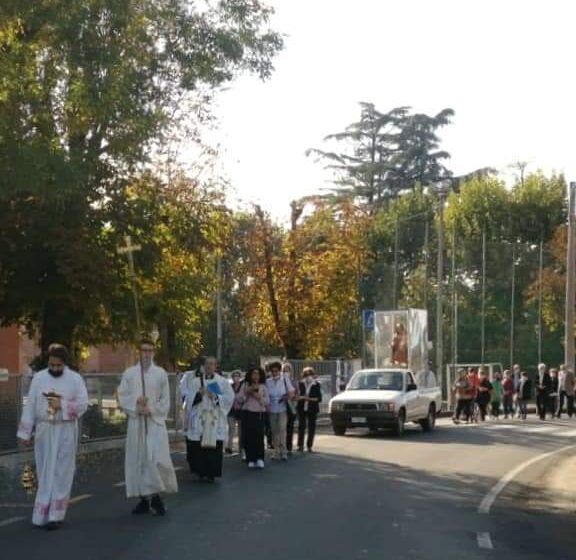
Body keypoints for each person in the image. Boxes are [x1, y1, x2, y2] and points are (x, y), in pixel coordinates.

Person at [17, 344, 88, 530]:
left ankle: (56, 515)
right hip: (44, 430)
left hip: (65, 430)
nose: (55, 368)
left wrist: (62, 405)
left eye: (58, 365)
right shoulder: (39, 378)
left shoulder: (75, 379)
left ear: (64, 363)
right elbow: (31, 405)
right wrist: (25, 432)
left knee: (62, 471)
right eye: (52, 365)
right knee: (44, 470)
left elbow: (83, 404)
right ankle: (41, 514)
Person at [118, 339, 178, 516]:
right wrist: (136, 403)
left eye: (150, 350)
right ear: (139, 352)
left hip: (154, 424)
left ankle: (157, 496)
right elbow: (122, 396)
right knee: (139, 460)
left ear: (153, 352)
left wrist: (150, 409)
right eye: (144, 350)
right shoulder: (129, 374)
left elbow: (165, 399)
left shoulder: (160, 374)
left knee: (155, 459)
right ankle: (144, 499)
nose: (147, 354)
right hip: (136, 424)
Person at [182, 356, 235, 481]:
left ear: (216, 366)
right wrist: (198, 396)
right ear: (203, 366)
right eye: (206, 364)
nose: (209, 366)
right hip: (199, 417)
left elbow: (229, 398)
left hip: (214, 417)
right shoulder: (195, 382)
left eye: (212, 364)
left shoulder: (222, 382)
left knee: (213, 445)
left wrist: (215, 397)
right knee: (198, 444)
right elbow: (188, 400)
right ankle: (200, 471)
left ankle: (211, 473)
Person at [237, 367, 269, 469]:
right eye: (253, 374)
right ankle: (250, 458)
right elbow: (239, 399)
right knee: (248, 436)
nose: (255, 376)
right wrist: (247, 393)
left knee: (259, 436)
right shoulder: (245, 385)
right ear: (250, 375)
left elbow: (267, 401)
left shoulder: (263, 387)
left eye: (258, 374)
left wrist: (259, 397)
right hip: (247, 413)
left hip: (259, 413)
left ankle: (259, 458)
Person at [266, 361, 294, 461]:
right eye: (272, 371)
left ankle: (284, 451)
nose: (274, 373)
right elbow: (266, 395)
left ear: (279, 371)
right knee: (274, 431)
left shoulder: (285, 379)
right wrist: (267, 404)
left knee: (282, 430)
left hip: (282, 408)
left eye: (276, 371)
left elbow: (291, 392)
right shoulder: (268, 381)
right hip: (272, 409)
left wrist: (286, 397)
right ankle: (276, 451)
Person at [297, 367, 322, 452]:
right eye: (306, 375)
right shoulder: (300, 384)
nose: (308, 376)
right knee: (301, 426)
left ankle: (309, 446)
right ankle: (300, 445)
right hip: (302, 407)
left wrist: (310, 399)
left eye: (310, 374)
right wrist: (303, 397)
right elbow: (297, 396)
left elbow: (319, 398)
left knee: (312, 427)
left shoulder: (316, 384)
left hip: (312, 408)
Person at [283, 362, 299, 455]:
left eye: (288, 370)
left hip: (291, 405)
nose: (286, 372)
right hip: (282, 405)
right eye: (284, 370)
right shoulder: (281, 381)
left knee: (289, 427)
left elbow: (297, 393)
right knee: (281, 428)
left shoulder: (294, 381)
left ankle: (289, 447)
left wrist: (294, 397)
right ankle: (282, 446)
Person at [226, 370, 244, 454]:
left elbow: (245, 397)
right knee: (231, 428)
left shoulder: (242, 386)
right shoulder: (230, 386)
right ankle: (229, 446)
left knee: (241, 430)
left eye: (237, 376)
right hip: (231, 409)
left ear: (240, 377)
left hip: (240, 409)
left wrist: (240, 399)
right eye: (234, 376)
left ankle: (241, 447)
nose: (235, 378)